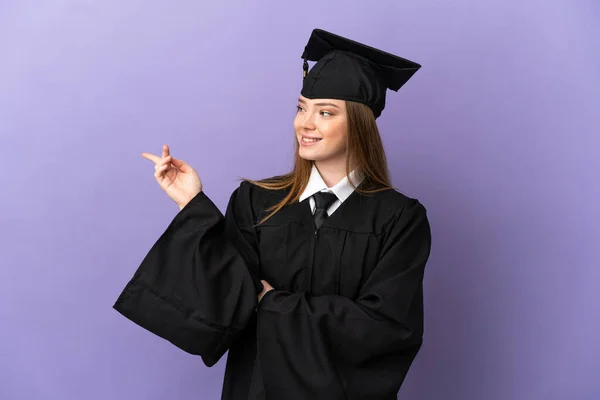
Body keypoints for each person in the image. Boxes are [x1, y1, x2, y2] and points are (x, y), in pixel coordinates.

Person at [113, 28, 432, 400]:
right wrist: (193, 206)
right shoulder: (257, 201)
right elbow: (228, 299)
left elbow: (386, 327)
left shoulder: (399, 218)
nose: (305, 124)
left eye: (325, 112)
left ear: (360, 124)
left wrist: (272, 303)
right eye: (301, 107)